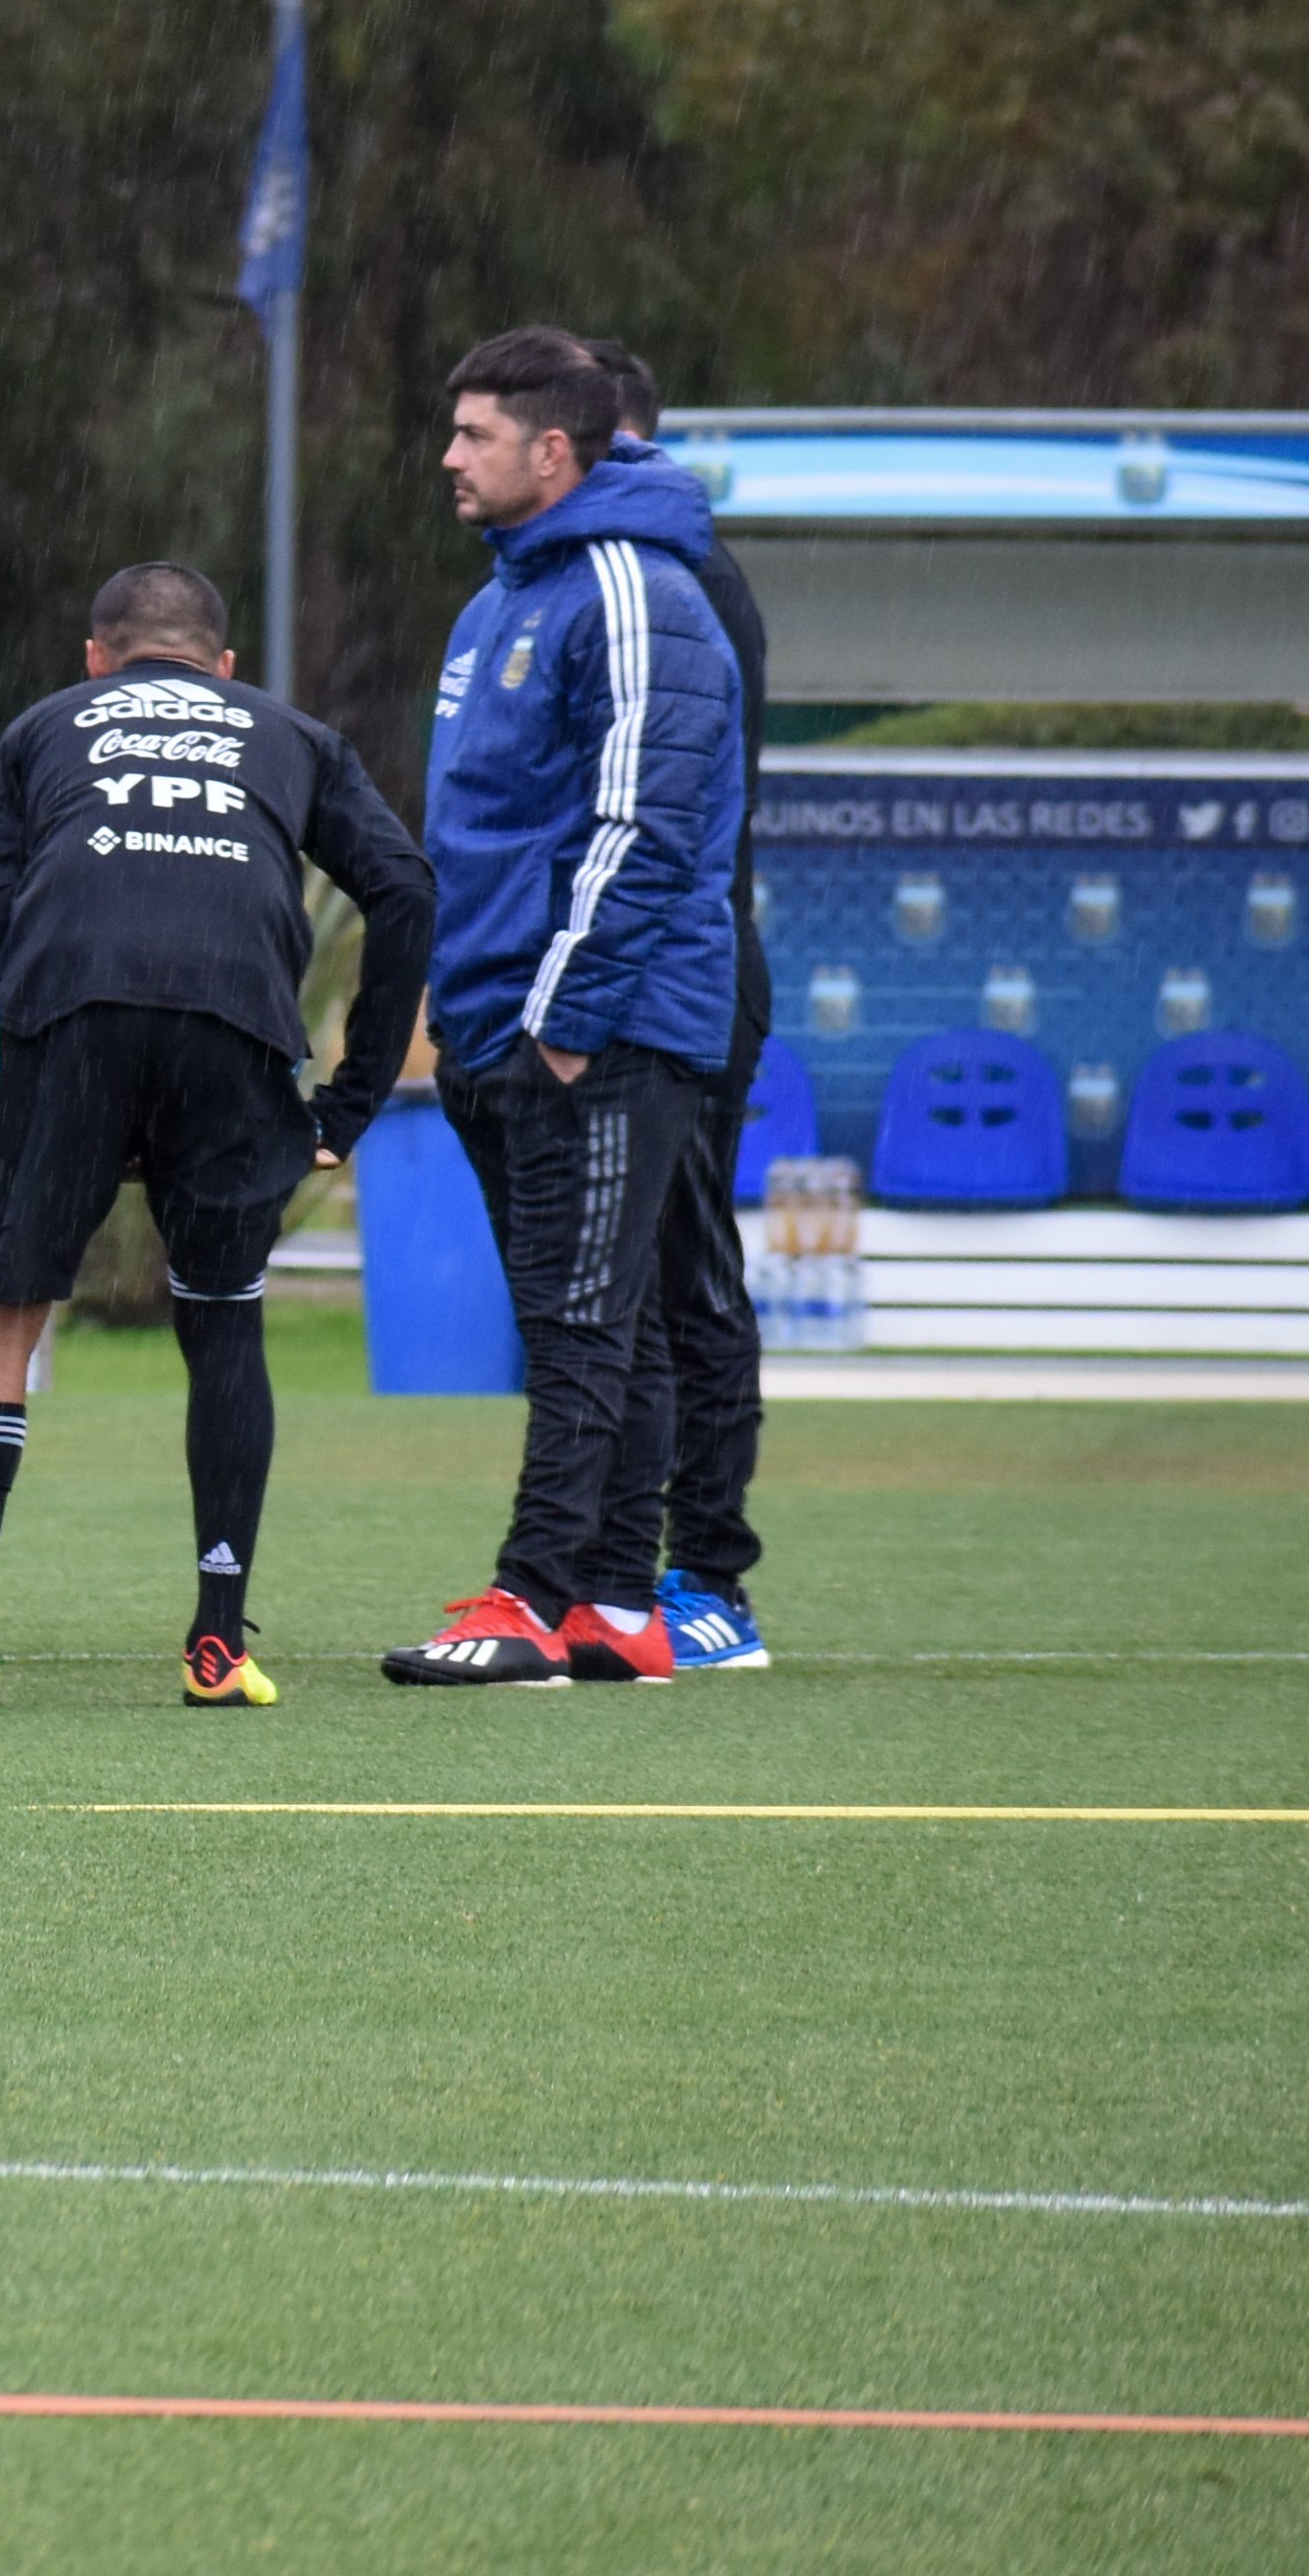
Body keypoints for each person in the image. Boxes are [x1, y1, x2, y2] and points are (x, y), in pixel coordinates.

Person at [0, 561, 429, 1706]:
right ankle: (218, 1639)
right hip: (234, 1022)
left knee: (0, 1307)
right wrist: (353, 1099)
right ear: (222, 668)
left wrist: (61, 1036)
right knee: (224, 1316)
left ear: (100, 658)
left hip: (69, 1010)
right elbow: (405, 889)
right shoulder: (289, 730)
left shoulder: (46, 725)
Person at [387, 325, 746, 1692]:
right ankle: (611, 1602)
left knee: (584, 1321)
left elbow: (646, 825)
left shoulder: (637, 591)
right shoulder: (501, 599)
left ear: (553, 451)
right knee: (607, 1320)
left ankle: (531, 1600)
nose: (448, 456)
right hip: (499, 1029)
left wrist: (563, 1020)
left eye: (474, 434)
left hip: (600, 1030)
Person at [584, 339, 775, 1672]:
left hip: (682, 977)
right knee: (620, 1285)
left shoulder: (681, 584)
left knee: (687, 1269)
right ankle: (600, 1569)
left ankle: (710, 1573)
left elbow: (662, 821)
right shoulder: (585, 580)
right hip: (615, 978)